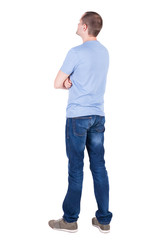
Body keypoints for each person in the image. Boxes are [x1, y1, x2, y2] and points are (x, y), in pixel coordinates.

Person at [48, 11, 113, 233]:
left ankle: (70, 220)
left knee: (76, 169)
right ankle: (103, 220)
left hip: (77, 117)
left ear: (85, 27)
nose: (77, 25)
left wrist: (67, 81)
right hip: (98, 117)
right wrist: (71, 81)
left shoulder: (75, 52)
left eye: (79, 22)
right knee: (99, 167)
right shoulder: (104, 53)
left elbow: (57, 82)